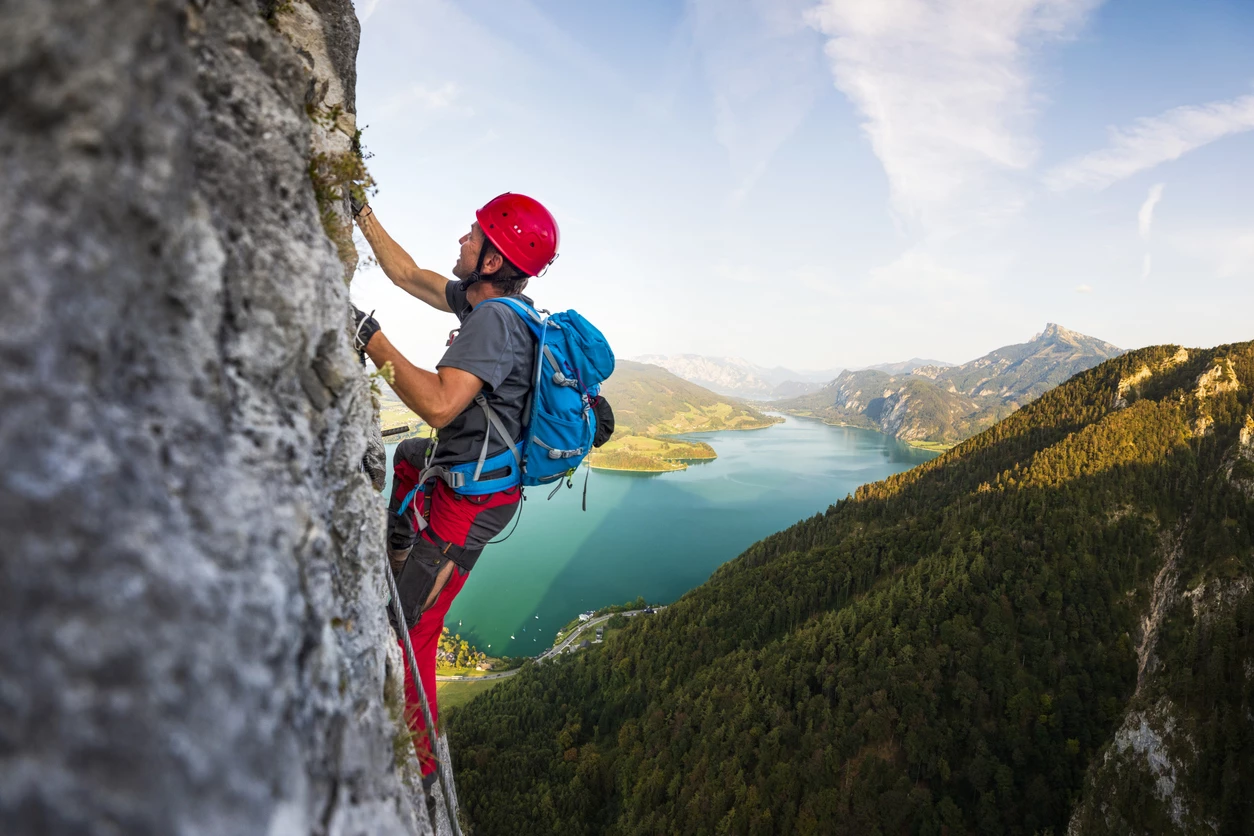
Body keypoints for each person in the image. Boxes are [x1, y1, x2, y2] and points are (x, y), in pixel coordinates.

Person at [349, 192, 559, 789]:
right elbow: (406, 272)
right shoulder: (484, 305)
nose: (462, 241)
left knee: (413, 627)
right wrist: (360, 211)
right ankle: (397, 551)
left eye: (472, 235)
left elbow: (440, 406)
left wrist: (371, 338)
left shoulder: (494, 320)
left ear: (492, 261)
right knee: (412, 456)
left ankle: (420, 772)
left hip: (471, 506)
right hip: (465, 478)